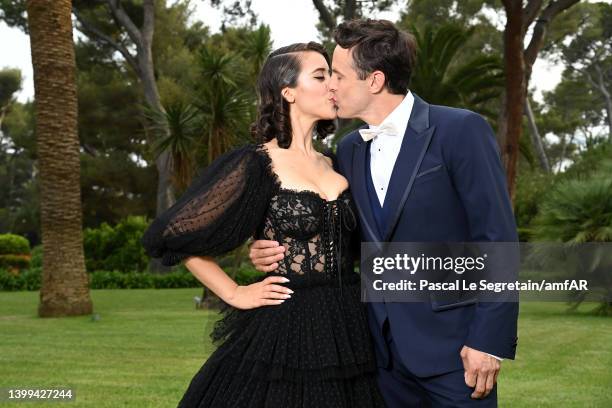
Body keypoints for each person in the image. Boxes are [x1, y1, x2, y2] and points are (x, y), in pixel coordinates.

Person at [249, 19, 519, 407]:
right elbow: (343, 238)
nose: (330, 86)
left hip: (455, 354)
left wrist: (487, 340)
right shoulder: (348, 150)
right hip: (377, 356)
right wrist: (269, 247)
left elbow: (498, 240)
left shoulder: (460, 130)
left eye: (338, 75)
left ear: (374, 81)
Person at [141, 41, 386, 408]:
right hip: (284, 325)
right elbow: (174, 235)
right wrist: (235, 292)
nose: (332, 85)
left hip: (349, 323)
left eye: (333, 76)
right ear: (287, 91)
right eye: (320, 76)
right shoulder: (255, 163)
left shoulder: (337, 162)